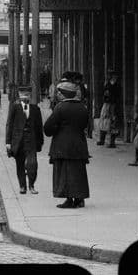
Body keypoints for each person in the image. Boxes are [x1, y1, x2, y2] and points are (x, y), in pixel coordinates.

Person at [44, 80, 91, 208]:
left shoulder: (60, 107)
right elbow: (85, 124)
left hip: (62, 146)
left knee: (65, 173)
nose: (58, 94)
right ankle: (80, 199)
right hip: (79, 145)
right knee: (78, 172)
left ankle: (69, 199)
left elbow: (47, 127)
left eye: (59, 92)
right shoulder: (82, 107)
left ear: (64, 94)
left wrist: (56, 129)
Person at [5, 85, 44, 195]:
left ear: (30, 96)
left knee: (32, 164)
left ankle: (31, 185)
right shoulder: (14, 108)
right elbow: (9, 125)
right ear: (19, 95)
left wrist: (40, 142)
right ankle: (22, 186)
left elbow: (39, 126)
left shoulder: (35, 109)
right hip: (18, 141)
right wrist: (8, 142)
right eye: (22, 95)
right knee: (20, 164)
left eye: (27, 95)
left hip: (32, 141)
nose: (24, 97)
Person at [97, 70, 122, 148]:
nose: (115, 77)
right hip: (107, 104)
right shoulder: (107, 84)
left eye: (116, 76)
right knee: (104, 121)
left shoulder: (118, 85)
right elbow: (103, 93)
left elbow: (118, 96)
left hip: (114, 105)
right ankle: (102, 140)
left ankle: (112, 142)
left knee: (113, 123)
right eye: (113, 76)